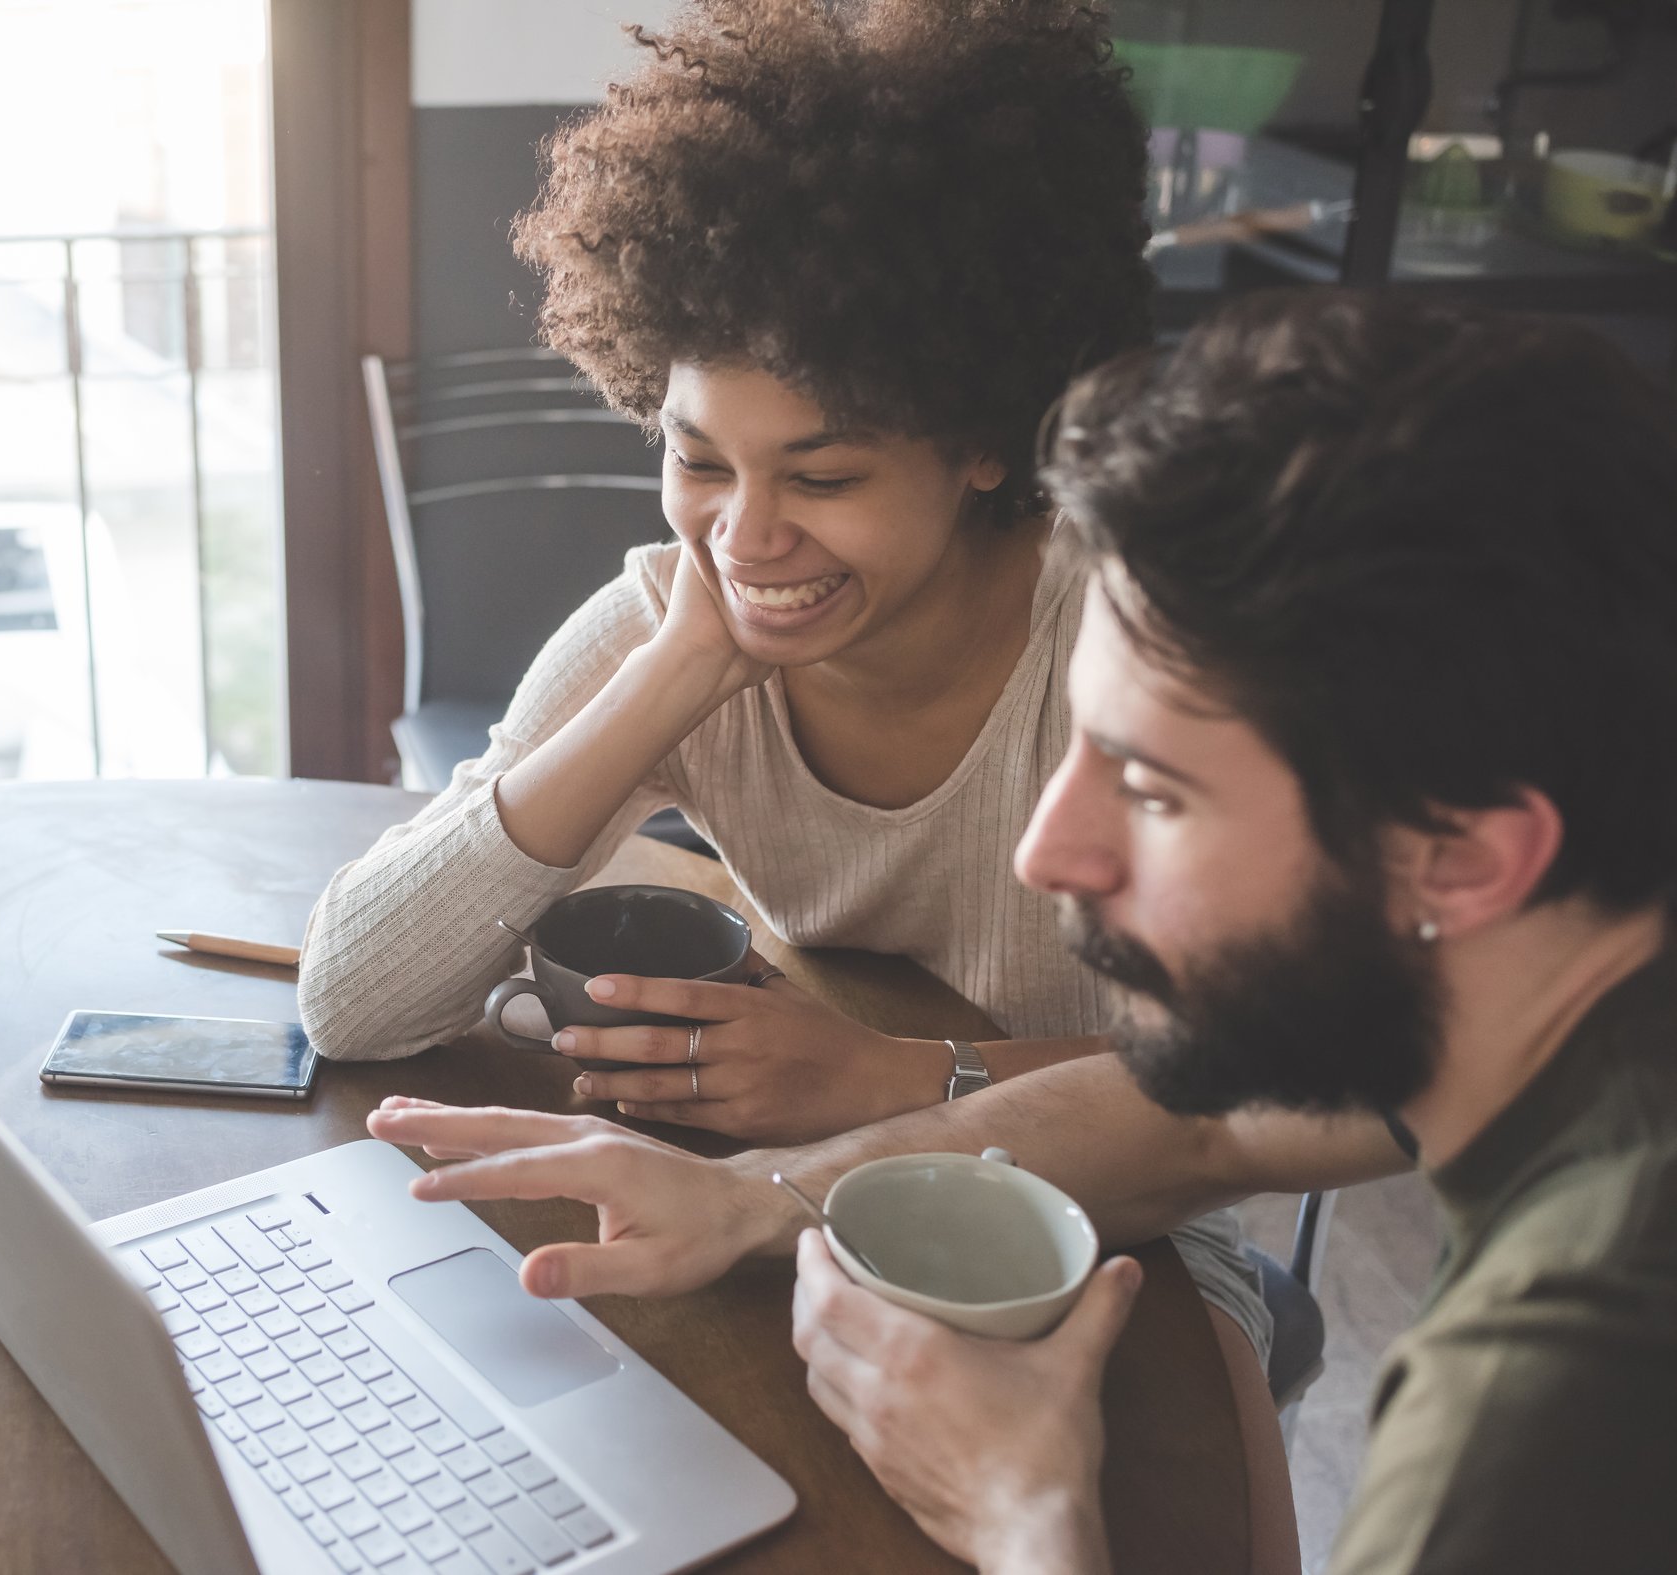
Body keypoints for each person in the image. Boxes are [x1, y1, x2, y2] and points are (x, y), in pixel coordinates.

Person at [367, 292, 1677, 1574]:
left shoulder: (1552, 1390)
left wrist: (1029, 1519)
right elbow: (1206, 1122)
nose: (1052, 855)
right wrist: (753, 1204)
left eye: (1155, 790)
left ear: (1464, 860)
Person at [295, 5, 1292, 1509]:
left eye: (821, 475)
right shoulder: (673, 615)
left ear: (980, 441)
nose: (746, 538)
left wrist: (893, 1078)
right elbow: (352, 998)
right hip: (784, 1213)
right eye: (700, 458)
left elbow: (1265, 1087)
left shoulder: (1137, 634)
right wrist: (674, 675)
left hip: (1118, 1230)